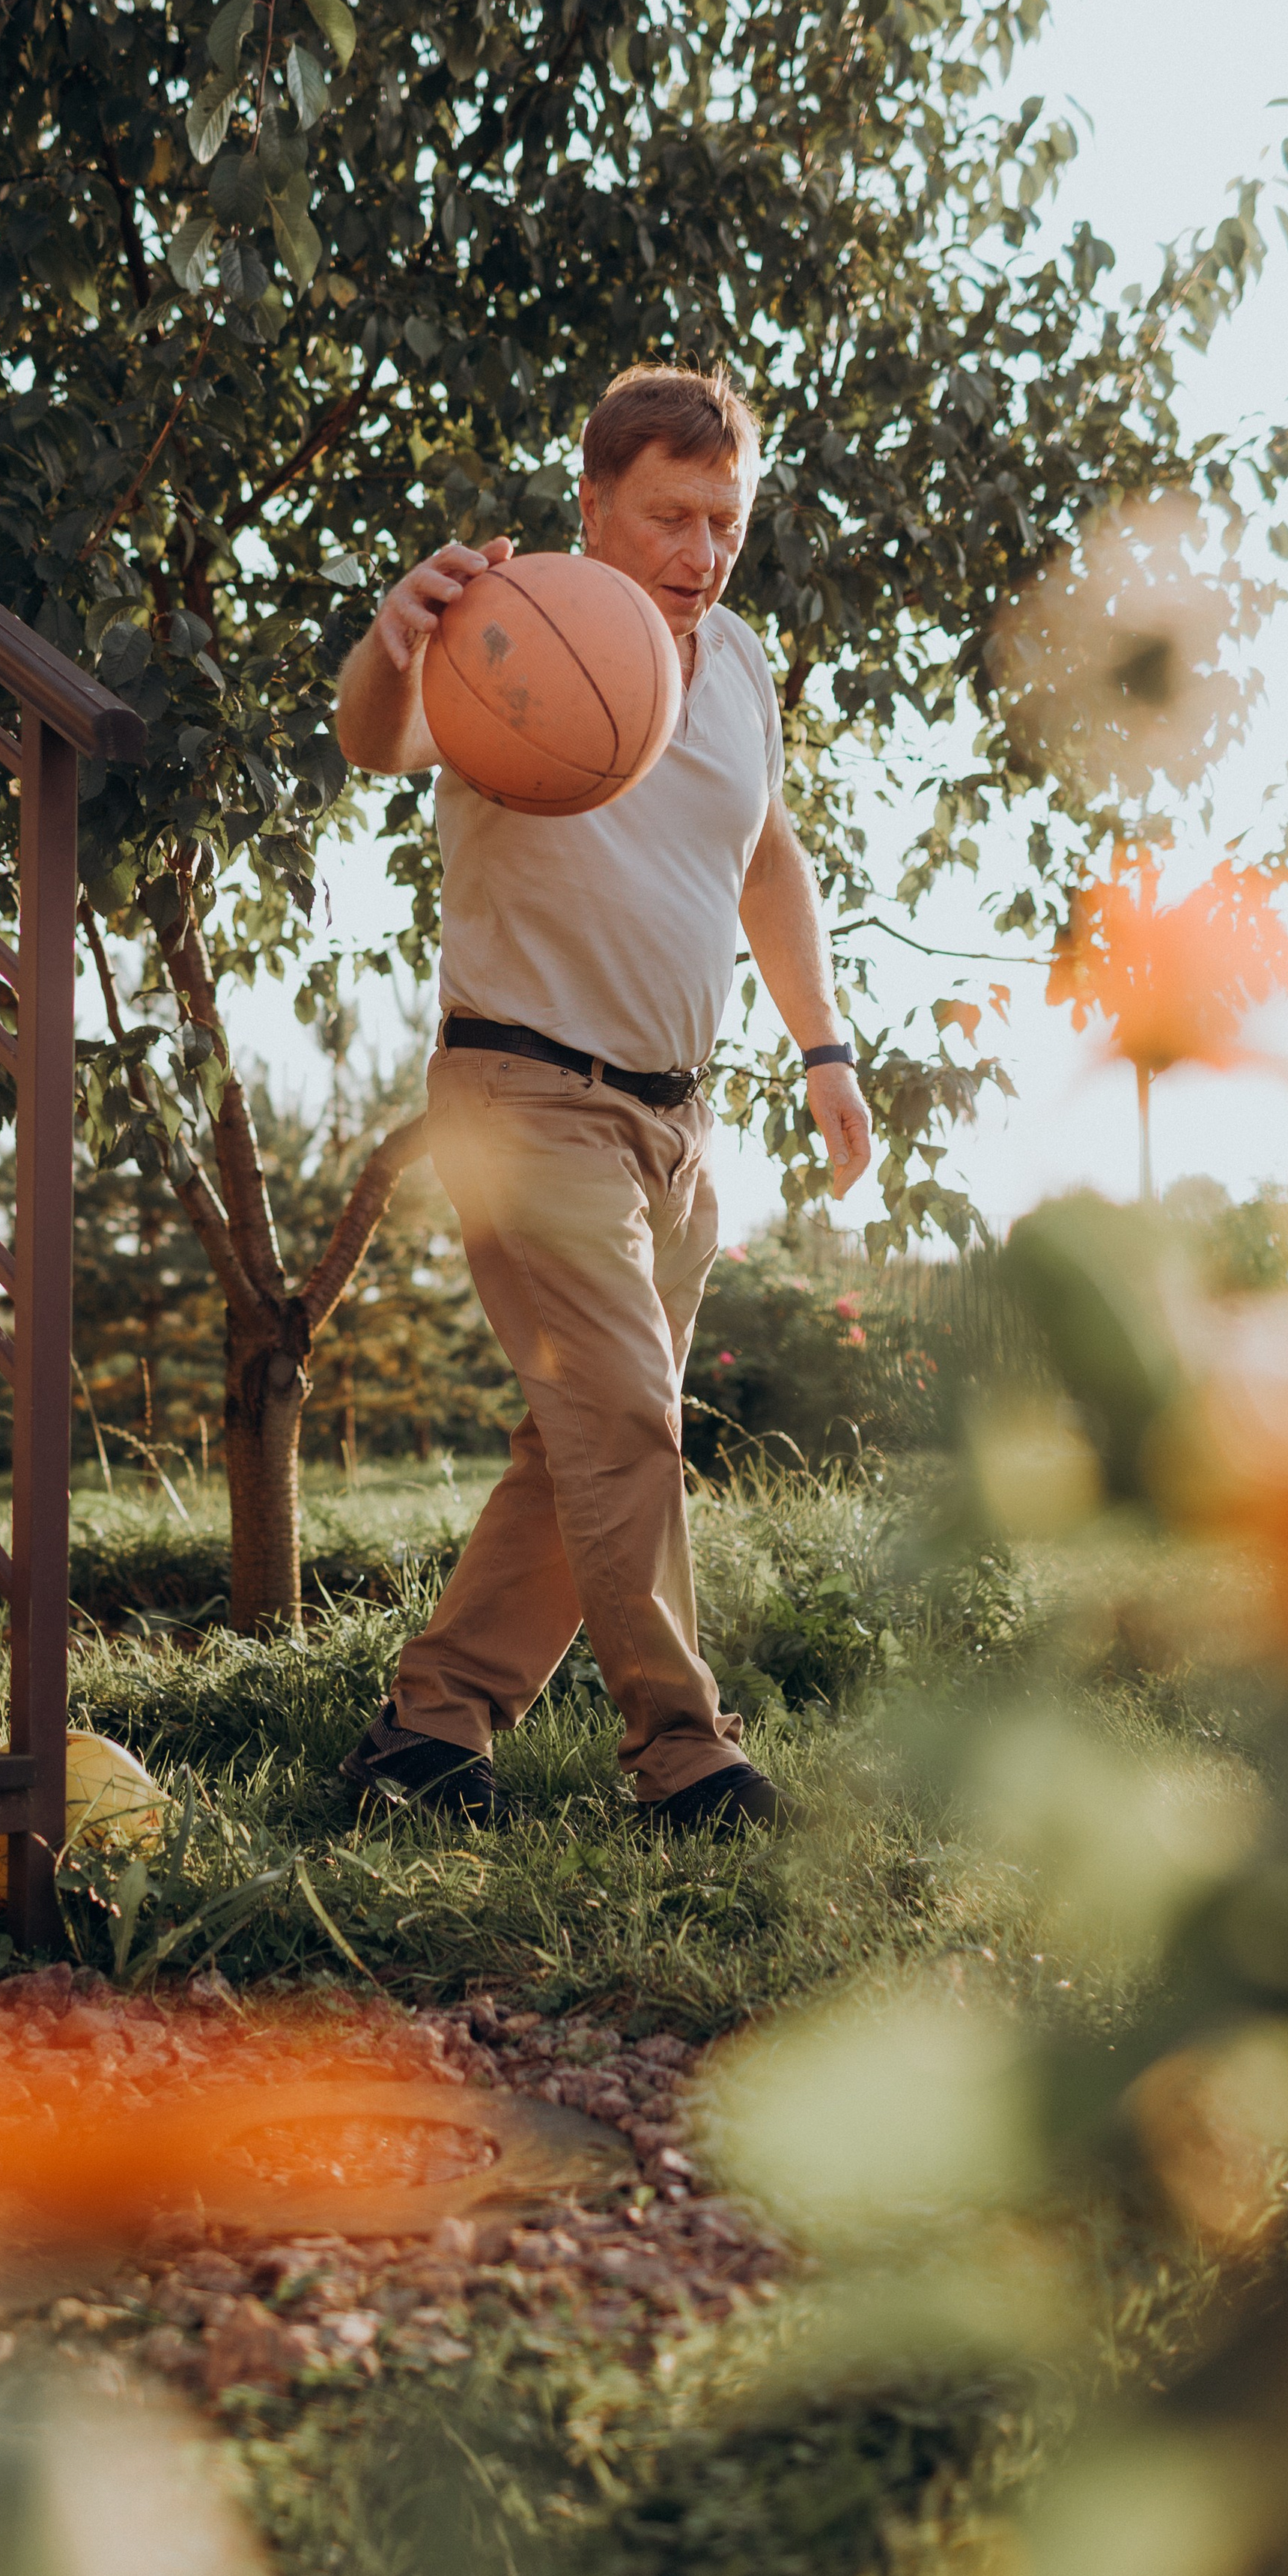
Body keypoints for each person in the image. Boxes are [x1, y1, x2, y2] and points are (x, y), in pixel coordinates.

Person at [332, 363, 873, 1831]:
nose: (700, 554)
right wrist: (392, 644)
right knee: (625, 1420)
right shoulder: (515, 622)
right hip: (523, 1094)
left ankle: (428, 1734)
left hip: (674, 1126)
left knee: (581, 1438)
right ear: (592, 503)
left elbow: (765, 858)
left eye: (725, 521)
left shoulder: (742, 665)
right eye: (669, 517)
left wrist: (822, 1050)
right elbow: (376, 739)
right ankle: (682, 1755)